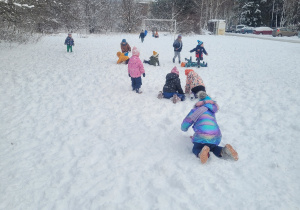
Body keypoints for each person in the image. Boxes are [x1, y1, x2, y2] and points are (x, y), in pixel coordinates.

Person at [181, 91, 239, 164]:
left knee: (196, 148)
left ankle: (202, 153)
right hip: (216, 136)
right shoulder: (212, 112)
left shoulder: (196, 110)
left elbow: (187, 122)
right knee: (213, 148)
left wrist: (184, 128)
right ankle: (224, 151)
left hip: (202, 136)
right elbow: (208, 126)